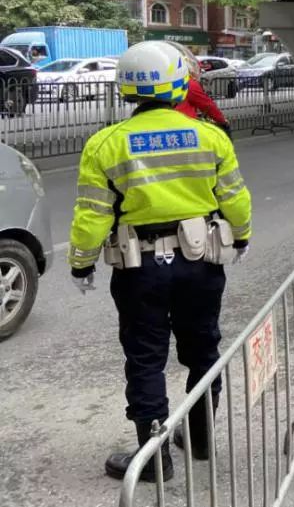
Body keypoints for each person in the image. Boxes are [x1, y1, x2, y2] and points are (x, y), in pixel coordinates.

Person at [68, 41, 252, 483]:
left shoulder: (104, 145)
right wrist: (241, 235)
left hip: (139, 269)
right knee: (203, 349)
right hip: (201, 263)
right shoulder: (210, 136)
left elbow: (92, 215)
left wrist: (81, 263)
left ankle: (155, 459)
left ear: (126, 89)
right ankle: (201, 440)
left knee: (146, 358)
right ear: (179, 82)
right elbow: (235, 198)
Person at [166, 42, 230, 132]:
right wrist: (222, 121)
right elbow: (207, 105)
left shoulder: (165, 81)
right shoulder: (188, 83)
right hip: (184, 127)